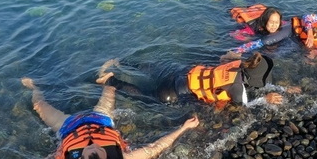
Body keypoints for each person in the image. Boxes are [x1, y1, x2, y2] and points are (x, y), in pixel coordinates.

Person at [0, 75, 199, 159]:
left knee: (39, 105)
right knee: (110, 91)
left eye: (87, 152)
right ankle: (105, 77)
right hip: (100, 121)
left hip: (67, 127)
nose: (91, 146)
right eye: (95, 150)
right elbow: (155, 148)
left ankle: (34, 87)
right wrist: (183, 128)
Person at [99, 52, 298, 109]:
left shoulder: (241, 63)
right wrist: (266, 99)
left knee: (151, 70)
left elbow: (224, 58)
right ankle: (112, 82)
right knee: (145, 96)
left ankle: (122, 61)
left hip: (181, 74)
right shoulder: (238, 89)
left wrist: (284, 88)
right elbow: (246, 105)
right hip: (171, 94)